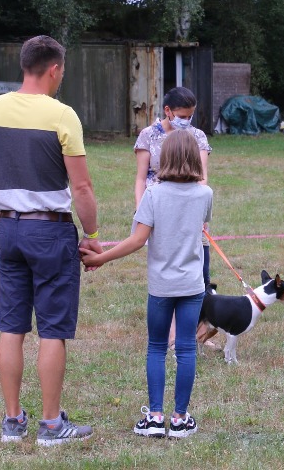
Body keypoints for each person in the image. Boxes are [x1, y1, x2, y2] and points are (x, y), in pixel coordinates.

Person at [0, 35, 100, 446]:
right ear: (54, 69)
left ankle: (12, 421)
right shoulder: (62, 115)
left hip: (10, 230)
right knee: (52, 329)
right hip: (51, 232)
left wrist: (2, 226)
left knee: (11, 326)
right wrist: (93, 235)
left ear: (24, 65)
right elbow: (82, 187)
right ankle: (51, 425)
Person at [82, 130, 212, 439]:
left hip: (161, 286)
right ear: (195, 159)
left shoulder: (153, 194)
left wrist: (102, 258)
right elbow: (200, 227)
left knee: (156, 346)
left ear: (163, 158)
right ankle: (180, 419)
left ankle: (154, 417)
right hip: (192, 285)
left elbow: (137, 240)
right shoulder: (206, 194)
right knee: (186, 349)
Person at [133, 86, 216, 349]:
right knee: (165, 274)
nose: (186, 121)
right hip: (158, 210)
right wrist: (142, 213)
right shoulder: (148, 136)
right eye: (182, 115)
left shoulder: (197, 137)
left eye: (190, 116)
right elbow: (141, 178)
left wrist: (199, 214)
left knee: (200, 272)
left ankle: (197, 333)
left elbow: (202, 176)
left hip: (191, 211)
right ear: (167, 111)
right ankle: (170, 336)